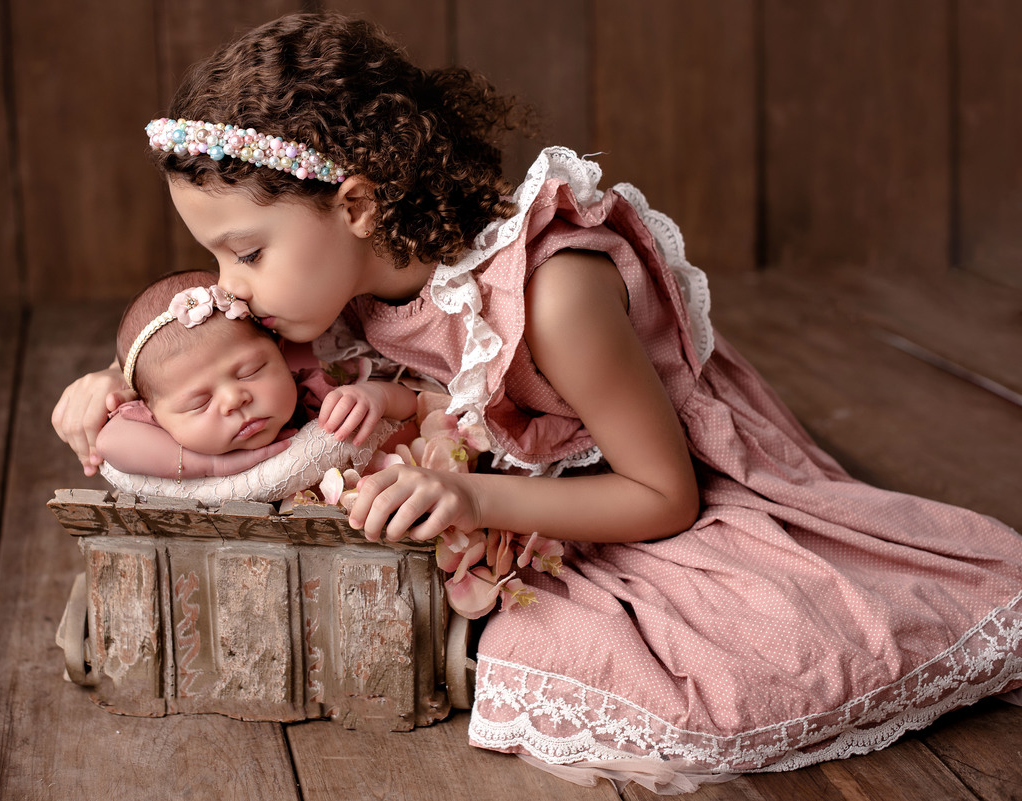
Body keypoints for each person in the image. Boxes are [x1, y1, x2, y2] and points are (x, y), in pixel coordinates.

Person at [52, 12, 1022, 793]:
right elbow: (192, 360)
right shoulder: (323, 291)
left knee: (713, 678)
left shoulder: (549, 295)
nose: (231, 289)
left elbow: (664, 497)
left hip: (643, 495)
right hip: (514, 497)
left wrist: (472, 502)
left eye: (245, 253)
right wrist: (112, 386)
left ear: (353, 207)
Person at [96, 269, 416, 480]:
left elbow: (411, 404)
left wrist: (378, 395)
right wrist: (210, 465)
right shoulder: (163, 433)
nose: (235, 399)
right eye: (199, 402)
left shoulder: (316, 395)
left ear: (280, 349)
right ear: (153, 412)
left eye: (250, 371)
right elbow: (110, 442)